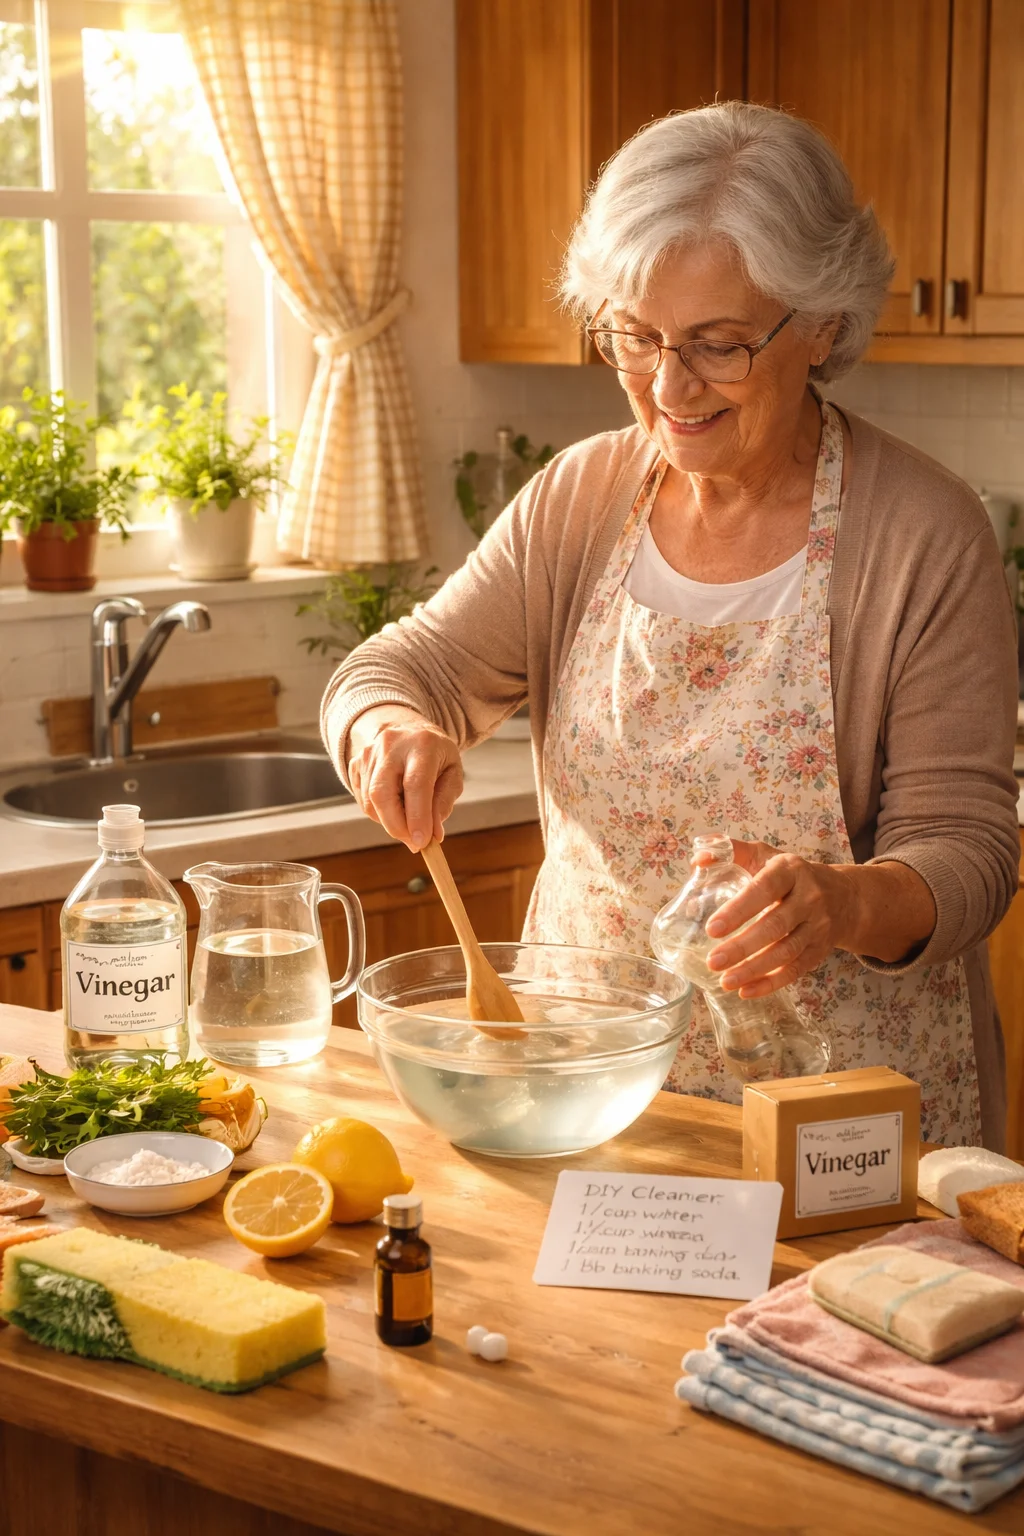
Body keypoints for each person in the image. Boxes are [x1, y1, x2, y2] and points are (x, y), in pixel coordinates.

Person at [322, 103, 1019, 1148]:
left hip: (847, 1126)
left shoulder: (924, 532)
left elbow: (969, 853)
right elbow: (405, 665)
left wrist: (839, 901)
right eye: (635, 335)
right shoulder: (580, 498)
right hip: (586, 1096)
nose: (666, 384)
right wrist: (386, 728)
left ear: (822, 326)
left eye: (719, 345)